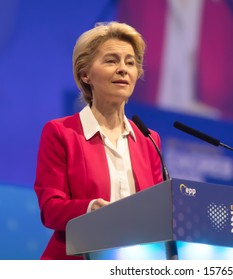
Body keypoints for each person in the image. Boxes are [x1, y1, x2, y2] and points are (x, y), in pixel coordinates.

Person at [34, 21, 164, 260]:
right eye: (111, 60)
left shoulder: (149, 140)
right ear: (85, 74)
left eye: (130, 62)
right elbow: (50, 209)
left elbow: (158, 212)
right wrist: (90, 209)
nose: (123, 69)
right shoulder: (61, 133)